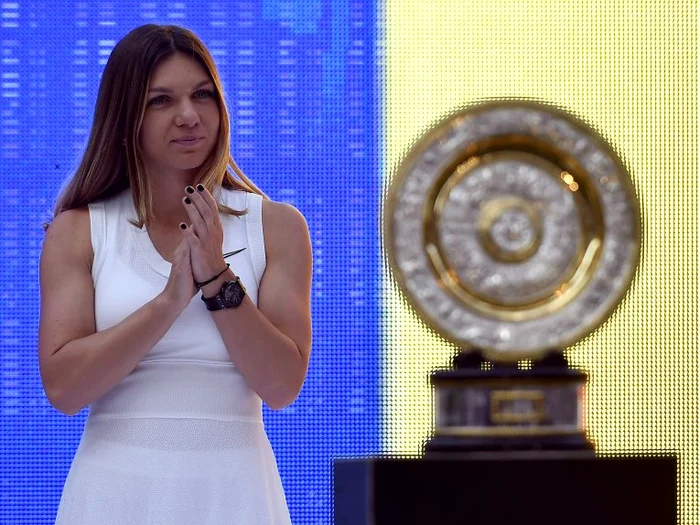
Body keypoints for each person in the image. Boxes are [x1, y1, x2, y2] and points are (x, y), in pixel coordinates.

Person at [38, 24, 312, 524]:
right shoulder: (78, 231)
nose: (189, 116)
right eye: (161, 100)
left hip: (236, 490)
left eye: (201, 95)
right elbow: (65, 390)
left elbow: (281, 386)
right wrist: (167, 303)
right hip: (114, 491)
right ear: (126, 117)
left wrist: (216, 280)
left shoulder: (277, 226)